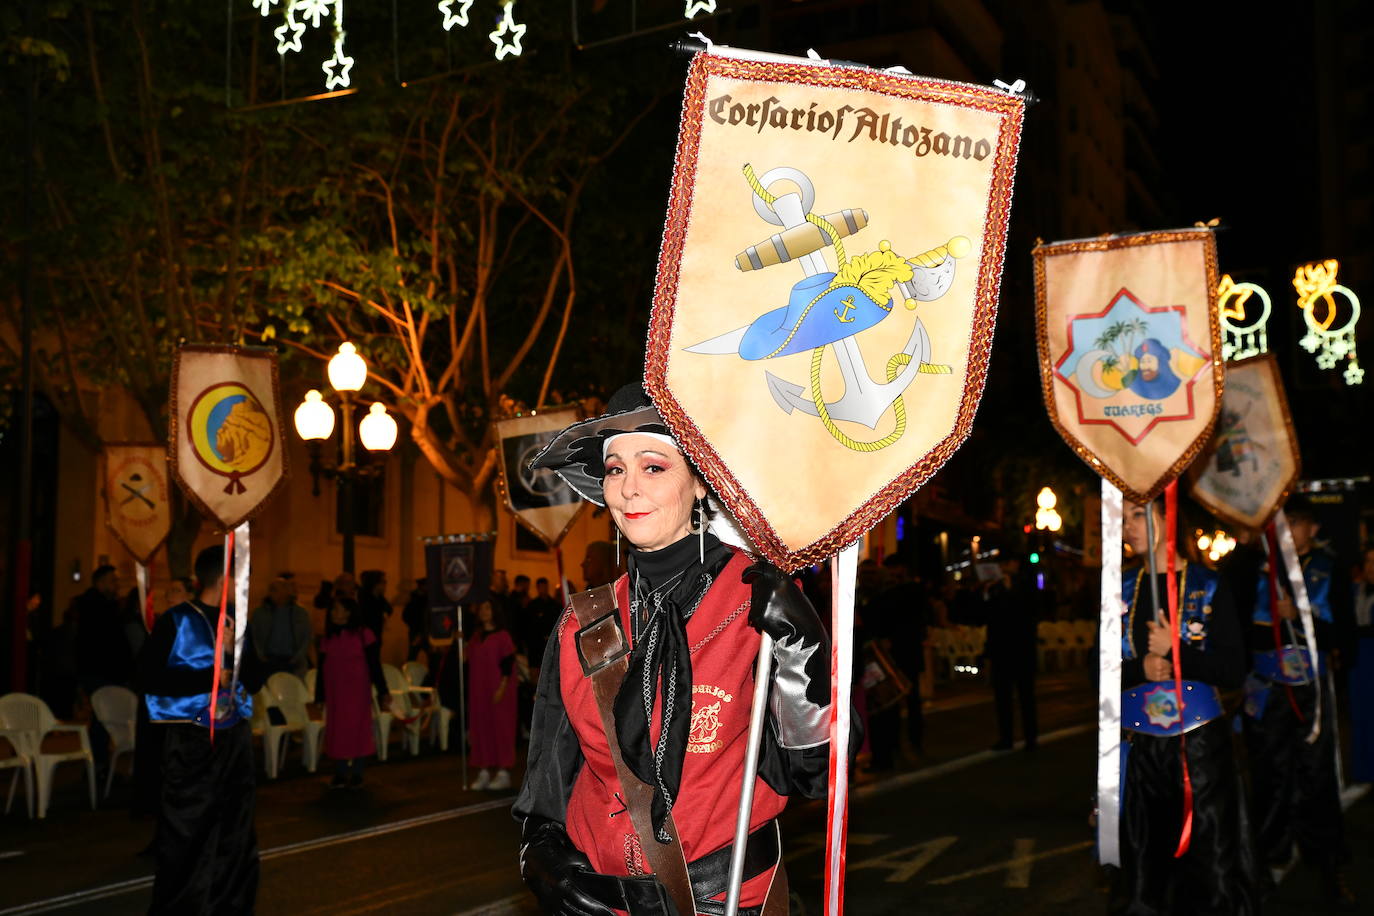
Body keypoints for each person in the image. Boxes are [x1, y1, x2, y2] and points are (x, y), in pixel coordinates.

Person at [514, 385, 832, 915]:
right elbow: (548, 783)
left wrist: (803, 651)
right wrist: (540, 855)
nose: (628, 489)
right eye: (615, 469)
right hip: (603, 907)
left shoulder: (757, 599)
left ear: (702, 484)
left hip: (729, 902)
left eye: (654, 467)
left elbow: (812, 771)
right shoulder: (582, 619)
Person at [1116, 498, 1257, 915]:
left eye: (1139, 515)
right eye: (1122, 519)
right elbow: (1097, 673)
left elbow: (1233, 668)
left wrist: (1179, 654)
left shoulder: (1208, 584)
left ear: (1168, 518)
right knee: (1142, 871)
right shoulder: (1120, 587)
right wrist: (1140, 665)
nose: (1128, 526)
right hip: (1138, 748)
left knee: (1210, 865)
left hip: (1198, 752)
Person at [137, 546, 264, 914]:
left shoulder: (239, 624)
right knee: (188, 831)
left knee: (236, 832)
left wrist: (233, 656)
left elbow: (254, 680)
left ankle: (231, 905)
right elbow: (148, 676)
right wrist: (209, 676)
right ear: (225, 579)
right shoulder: (177, 620)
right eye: (243, 577)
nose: (246, 584)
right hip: (191, 740)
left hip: (234, 738)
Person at [1242, 495, 1355, 908]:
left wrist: (1298, 616)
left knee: (1316, 772)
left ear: (1314, 529)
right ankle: (1269, 856)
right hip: (1266, 687)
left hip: (1312, 688)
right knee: (1269, 772)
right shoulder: (1257, 570)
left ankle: (1325, 861)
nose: (1291, 531)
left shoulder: (1330, 570)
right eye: (1284, 524)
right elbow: (1241, 633)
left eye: (1299, 523)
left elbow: (1342, 635)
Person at [131, 578, 196, 824]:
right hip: (155, 704)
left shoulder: (189, 626)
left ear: (191, 596)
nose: (169, 596)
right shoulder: (163, 624)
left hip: (175, 709)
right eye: (168, 591)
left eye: (176, 591)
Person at [316, 596, 391, 789]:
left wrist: (383, 691)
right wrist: (319, 697)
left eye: (338, 609)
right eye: (332, 610)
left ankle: (357, 772)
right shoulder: (327, 639)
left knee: (358, 731)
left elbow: (375, 666)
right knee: (337, 732)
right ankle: (340, 772)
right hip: (335, 695)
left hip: (357, 693)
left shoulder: (364, 635)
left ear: (349, 612)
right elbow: (320, 670)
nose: (334, 613)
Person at [864, 554, 929, 767]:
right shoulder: (879, 593)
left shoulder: (912, 590)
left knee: (911, 698)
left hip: (906, 651)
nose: (893, 574)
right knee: (888, 702)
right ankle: (894, 747)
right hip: (888, 654)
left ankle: (914, 741)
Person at [73, 564, 133, 778]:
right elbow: (107, 643)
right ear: (100, 583)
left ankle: (99, 763)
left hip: (101, 670)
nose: (116, 586)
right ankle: (97, 764)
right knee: (101, 717)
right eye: (112, 581)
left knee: (102, 719)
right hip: (100, 671)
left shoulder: (102, 607)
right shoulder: (97, 608)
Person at [981, 554, 1039, 751]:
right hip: (1001, 650)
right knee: (1002, 697)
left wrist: (1009, 589)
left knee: (1026, 696)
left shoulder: (1026, 582)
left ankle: (1031, 738)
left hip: (1022, 649)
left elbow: (1029, 610)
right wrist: (987, 592)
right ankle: (1006, 738)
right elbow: (989, 617)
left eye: (1008, 562)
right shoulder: (995, 586)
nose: (1006, 566)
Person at [468, 600, 518, 790]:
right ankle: (483, 770)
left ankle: (503, 771)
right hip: (479, 691)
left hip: (499, 689)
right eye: (481, 608)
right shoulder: (475, 637)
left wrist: (502, 688)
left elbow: (507, 665)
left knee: (500, 729)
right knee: (481, 728)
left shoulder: (503, 636)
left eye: (488, 608)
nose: (484, 611)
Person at [249, 577, 313, 678]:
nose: (272, 593)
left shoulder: (300, 613)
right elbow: (253, 635)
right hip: (268, 660)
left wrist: (298, 657)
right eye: (271, 589)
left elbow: (307, 637)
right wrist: (260, 654)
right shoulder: (260, 613)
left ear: (286, 592)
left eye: (276, 589)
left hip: (292, 661)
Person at [1351, 544, 1374, 784]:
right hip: (1360, 664)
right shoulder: (1356, 591)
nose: (1371, 568)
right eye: (1367, 561)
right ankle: (1364, 774)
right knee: (1361, 718)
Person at [359, 570, 392, 651]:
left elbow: (389, 608)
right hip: (367, 639)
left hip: (376, 636)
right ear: (375, 584)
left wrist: (385, 613)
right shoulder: (365, 599)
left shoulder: (380, 598)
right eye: (383, 582)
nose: (385, 585)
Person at [402, 578, 430, 663]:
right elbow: (407, 616)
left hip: (424, 632)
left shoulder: (426, 598)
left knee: (431, 657)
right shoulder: (415, 600)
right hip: (417, 632)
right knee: (412, 656)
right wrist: (416, 631)